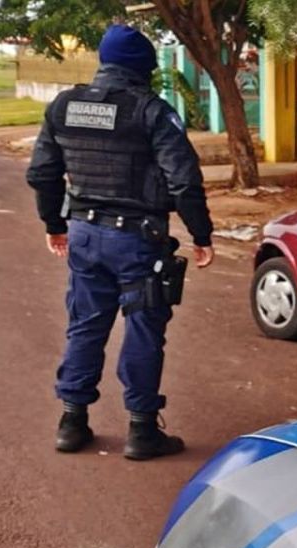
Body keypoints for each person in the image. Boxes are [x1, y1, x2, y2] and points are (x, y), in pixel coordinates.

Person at [26, 24, 215, 460]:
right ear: (143, 69)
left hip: (85, 236)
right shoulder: (151, 111)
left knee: (85, 325)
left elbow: (42, 173)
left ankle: (72, 423)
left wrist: (54, 224)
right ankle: (142, 431)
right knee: (144, 328)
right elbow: (183, 180)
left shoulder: (63, 106)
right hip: (136, 241)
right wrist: (201, 234)